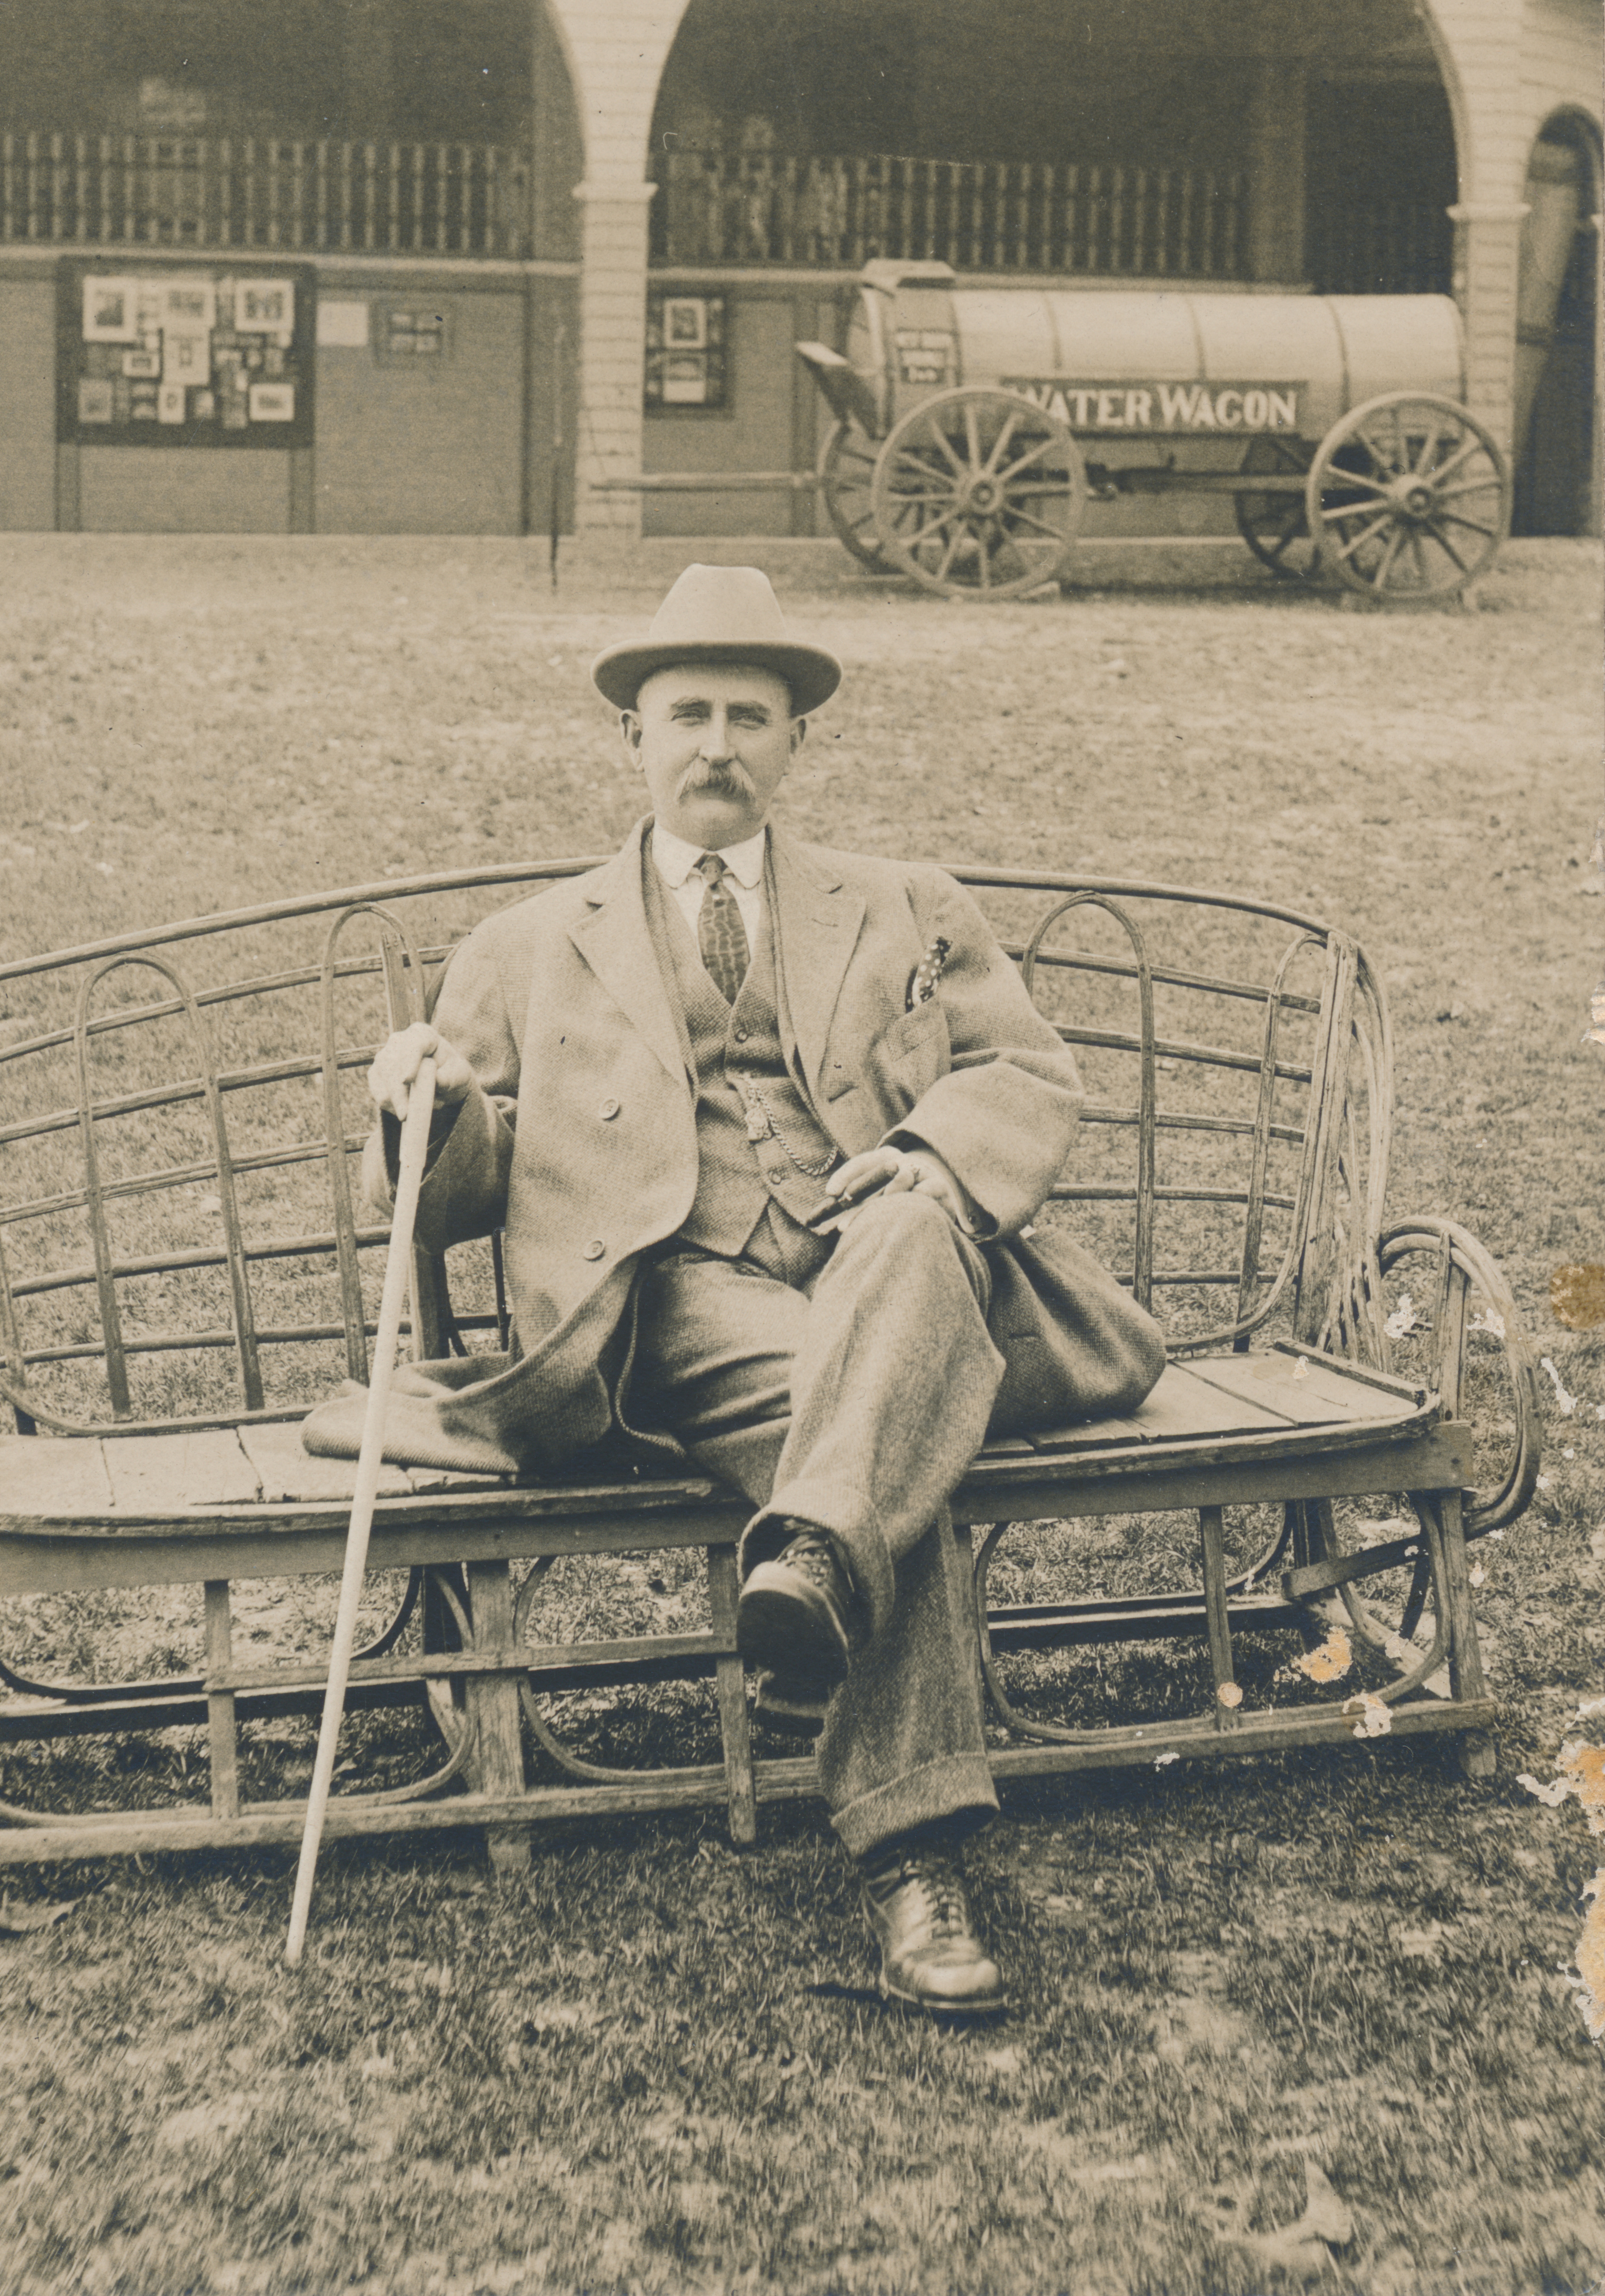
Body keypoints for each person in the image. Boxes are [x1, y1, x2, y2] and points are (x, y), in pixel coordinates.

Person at [356, 565, 1165, 2019]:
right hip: (684, 1304)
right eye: (686, 715)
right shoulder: (528, 945)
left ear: (797, 742)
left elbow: (1026, 1074)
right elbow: (451, 1192)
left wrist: (925, 1156)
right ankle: (914, 1862)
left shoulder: (905, 904)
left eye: (749, 715)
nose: (716, 745)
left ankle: (814, 1563)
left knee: (908, 1263)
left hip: (893, 1269)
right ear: (631, 740)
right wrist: (423, 1105)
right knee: (867, 1426)